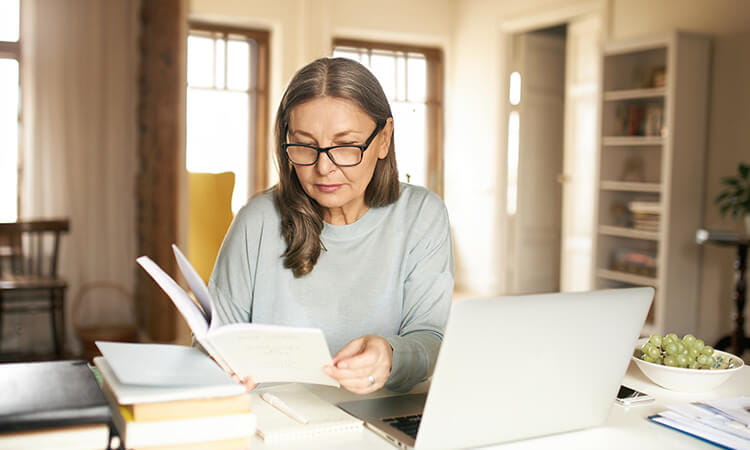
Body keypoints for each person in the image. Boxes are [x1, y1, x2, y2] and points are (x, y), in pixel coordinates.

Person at [208, 57, 453, 394]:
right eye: (305, 145)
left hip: (378, 415)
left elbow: (431, 340)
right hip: (273, 417)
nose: (323, 167)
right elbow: (213, 337)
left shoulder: (422, 214)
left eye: (345, 146)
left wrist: (390, 355)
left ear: (384, 139)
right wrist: (219, 365)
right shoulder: (258, 219)